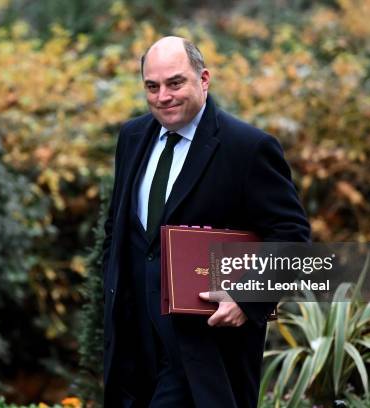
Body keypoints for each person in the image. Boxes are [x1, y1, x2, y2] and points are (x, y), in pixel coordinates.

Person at [101, 36, 310, 408]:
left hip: (204, 350)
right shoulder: (132, 137)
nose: (163, 96)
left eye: (175, 83)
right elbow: (119, 230)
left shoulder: (248, 147)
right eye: (152, 86)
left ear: (204, 79)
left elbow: (292, 237)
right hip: (133, 346)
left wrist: (247, 297)